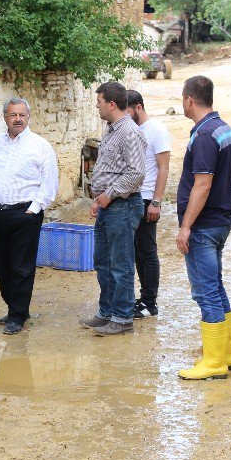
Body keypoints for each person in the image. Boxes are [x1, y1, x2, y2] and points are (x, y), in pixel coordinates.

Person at [175, 75, 231, 381]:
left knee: (205, 292)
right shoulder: (224, 129)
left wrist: (185, 226)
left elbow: (202, 185)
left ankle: (213, 362)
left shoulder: (203, 135)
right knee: (216, 286)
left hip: (203, 225)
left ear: (189, 99)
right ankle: (226, 355)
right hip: (220, 221)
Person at [0, 98, 59, 335]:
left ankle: (17, 315)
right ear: (5, 117)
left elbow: (50, 182)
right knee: (1, 266)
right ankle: (15, 307)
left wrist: (33, 210)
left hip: (24, 214)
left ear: (28, 117)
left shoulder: (40, 146)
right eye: (13, 114)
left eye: (22, 115)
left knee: (21, 267)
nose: (18, 119)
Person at [80, 81, 146, 337]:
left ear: (110, 104)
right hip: (109, 206)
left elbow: (136, 173)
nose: (96, 106)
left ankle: (122, 317)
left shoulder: (130, 132)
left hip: (122, 206)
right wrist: (99, 200)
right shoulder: (110, 129)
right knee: (104, 262)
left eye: (98, 102)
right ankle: (107, 312)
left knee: (121, 264)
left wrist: (107, 195)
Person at [125, 90, 170, 319]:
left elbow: (163, 168)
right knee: (135, 252)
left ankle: (150, 302)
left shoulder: (157, 130)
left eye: (128, 110)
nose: (125, 114)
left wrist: (156, 201)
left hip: (146, 200)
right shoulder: (130, 129)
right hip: (131, 198)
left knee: (147, 252)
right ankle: (141, 299)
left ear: (138, 108)